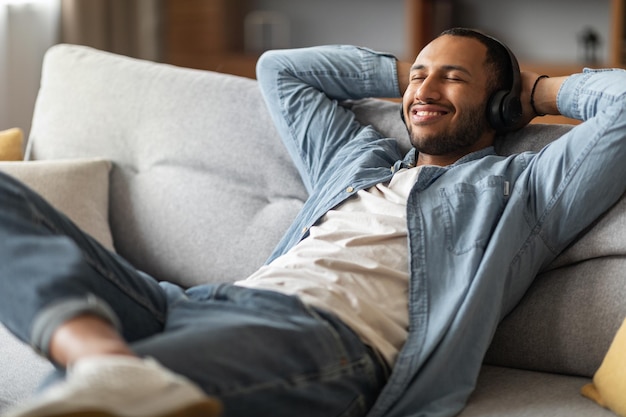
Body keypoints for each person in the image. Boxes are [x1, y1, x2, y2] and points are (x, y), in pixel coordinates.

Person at [1, 27, 625, 417]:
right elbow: (281, 69)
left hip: (326, 340)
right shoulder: (357, 159)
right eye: (419, 76)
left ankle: (103, 367)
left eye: (453, 78)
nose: (425, 89)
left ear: (496, 102)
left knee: (93, 399)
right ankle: (102, 356)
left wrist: (537, 89)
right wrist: (400, 75)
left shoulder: (522, 189)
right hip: (198, 303)